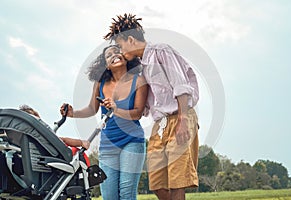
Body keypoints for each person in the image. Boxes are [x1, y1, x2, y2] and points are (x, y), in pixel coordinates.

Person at [104, 13, 200, 200]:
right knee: (157, 183)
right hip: (160, 125)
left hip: (178, 116)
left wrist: (183, 119)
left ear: (131, 39)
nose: (121, 52)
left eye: (121, 46)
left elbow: (181, 86)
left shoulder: (161, 52)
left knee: (177, 182)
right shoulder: (142, 67)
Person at [60, 45, 148, 200]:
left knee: (127, 194)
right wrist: (73, 113)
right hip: (108, 146)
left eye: (117, 51)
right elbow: (91, 109)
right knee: (109, 196)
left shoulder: (139, 81)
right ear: (106, 65)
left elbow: (137, 113)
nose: (115, 54)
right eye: (109, 55)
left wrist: (115, 108)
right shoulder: (100, 83)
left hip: (132, 141)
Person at [19, 104, 90, 149]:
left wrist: (64, 118)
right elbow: (60, 140)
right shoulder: (39, 133)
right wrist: (81, 143)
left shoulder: (17, 136)